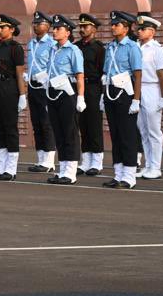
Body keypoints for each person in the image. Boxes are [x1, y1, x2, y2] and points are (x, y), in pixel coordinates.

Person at [102, 11, 143, 189]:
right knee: (116, 135)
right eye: (112, 24)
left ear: (125, 28)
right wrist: (104, 94)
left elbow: (138, 75)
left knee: (127, 135)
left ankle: (129, 176)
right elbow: (106, 71)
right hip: (111, 91)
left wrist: (136, 99)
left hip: (125, 93)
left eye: (116, 24)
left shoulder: (132, 47)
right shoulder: (110, 47)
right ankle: (118, 174)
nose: (112, 27)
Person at [43, 15, 86, 185]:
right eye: (54, 28)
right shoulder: (53, 49)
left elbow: (80, 75)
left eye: (58, 28)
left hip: (68, 93)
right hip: (53, 92)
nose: (54, 31)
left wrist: (80, 97)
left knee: (70, 132)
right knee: (58, 132)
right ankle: (62, 169)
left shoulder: (73, 50)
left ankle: (71, 171)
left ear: (67, 32)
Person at [0, 14, 27, 181]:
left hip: (9, 88)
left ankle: (11, 168)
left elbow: (19, 72)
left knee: (9, 127)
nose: (0, 30)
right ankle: (0, 167)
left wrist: (22, 94)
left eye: (3, 27)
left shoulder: (15, 48)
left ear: (12, 29)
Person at [135, 14, 163, 180]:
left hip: (152, 88)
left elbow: (162, 75)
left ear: (152, 31)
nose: (139, 31)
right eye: (138, 29)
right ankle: (148, 165)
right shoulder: (136, 47)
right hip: (138, 89)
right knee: (143, 130)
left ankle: (156, 167)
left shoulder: (158, 49)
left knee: (154, 131)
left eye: (143, 29)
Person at [24, 11, 58, 174]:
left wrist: (47, 77)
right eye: (35, 23)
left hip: (45, 87)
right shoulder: (31, 44)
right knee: (36, 123)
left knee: (46, 123)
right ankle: (40, 158)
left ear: (48, 26)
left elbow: (53, 65)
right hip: (32, 86)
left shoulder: (52, 44)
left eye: (40, 23)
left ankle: (49, 160)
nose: (36, 26)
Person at [75, 13, 108, 176]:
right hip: (78, 88)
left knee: (94, 124)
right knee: (83, 125)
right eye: (80, 27)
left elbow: (103, 71)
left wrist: (102, 94)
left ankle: (97, 161)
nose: (82, 29)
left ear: (93, 29)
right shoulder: (76, 46)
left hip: (93, 88)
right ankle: (86, 160)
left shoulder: (99, 48)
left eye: (85, 26)